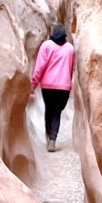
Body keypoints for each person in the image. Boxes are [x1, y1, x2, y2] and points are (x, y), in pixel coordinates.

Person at [30, 23, 75, 152]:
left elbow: (39, 66)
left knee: (49, 110)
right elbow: (70, 68)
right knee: (57, 113)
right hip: (64, 87)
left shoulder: (46, 46)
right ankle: (53, 139)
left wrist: (34, 83)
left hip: (48, 86)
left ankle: (49, 136)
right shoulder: (70, 49)